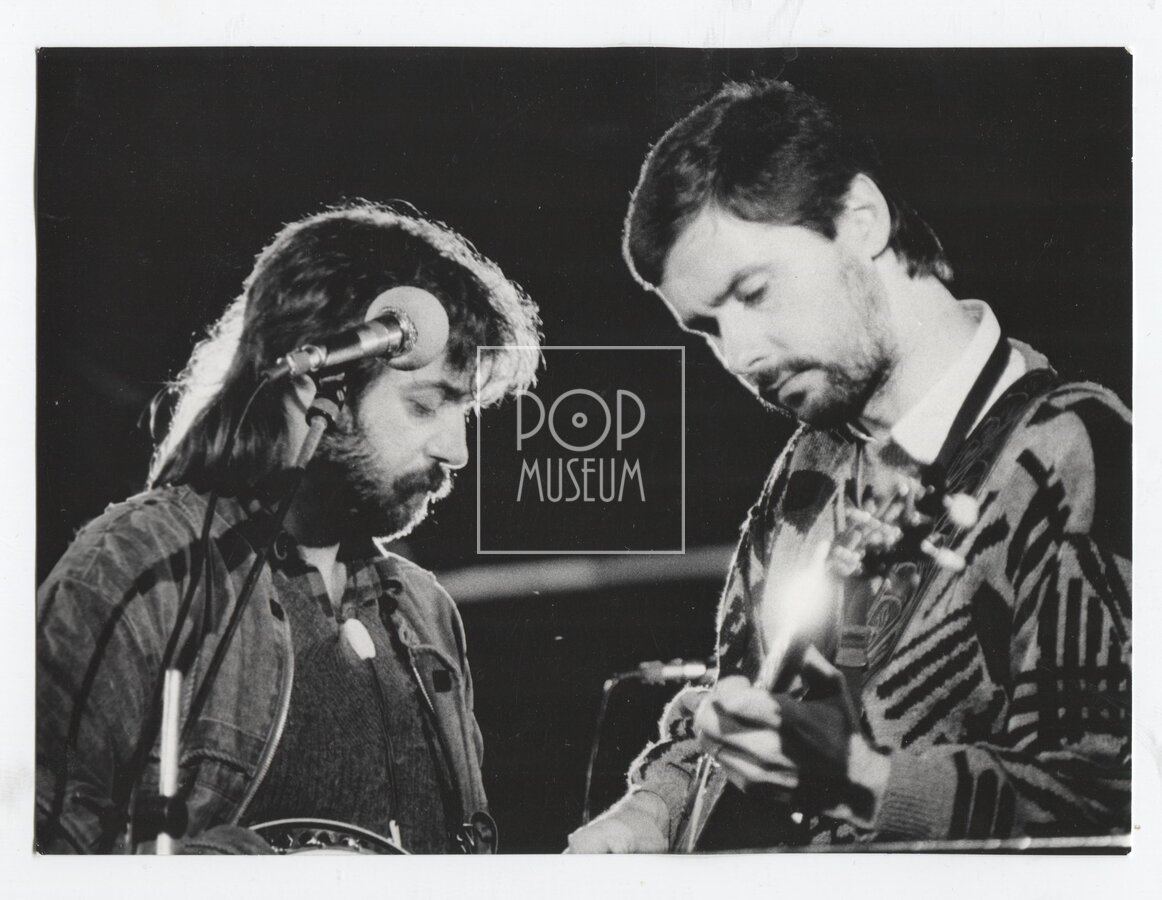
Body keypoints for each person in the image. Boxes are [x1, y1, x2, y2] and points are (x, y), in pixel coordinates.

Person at [568, 80, 1131, 851]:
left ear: (862, 219)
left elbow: (1110, 812)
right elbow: (744, 704)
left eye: (753, 292)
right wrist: (653, 809)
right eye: (707, 329)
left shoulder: (1080, 452)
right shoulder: (809, 467)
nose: (741, 356)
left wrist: (860, 781)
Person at [36, 201, 541, 854]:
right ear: (313, 389)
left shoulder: (427, 612)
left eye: (463, 412)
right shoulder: (139, 568)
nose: (458, 451)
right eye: (425, 406)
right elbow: (38, 849)